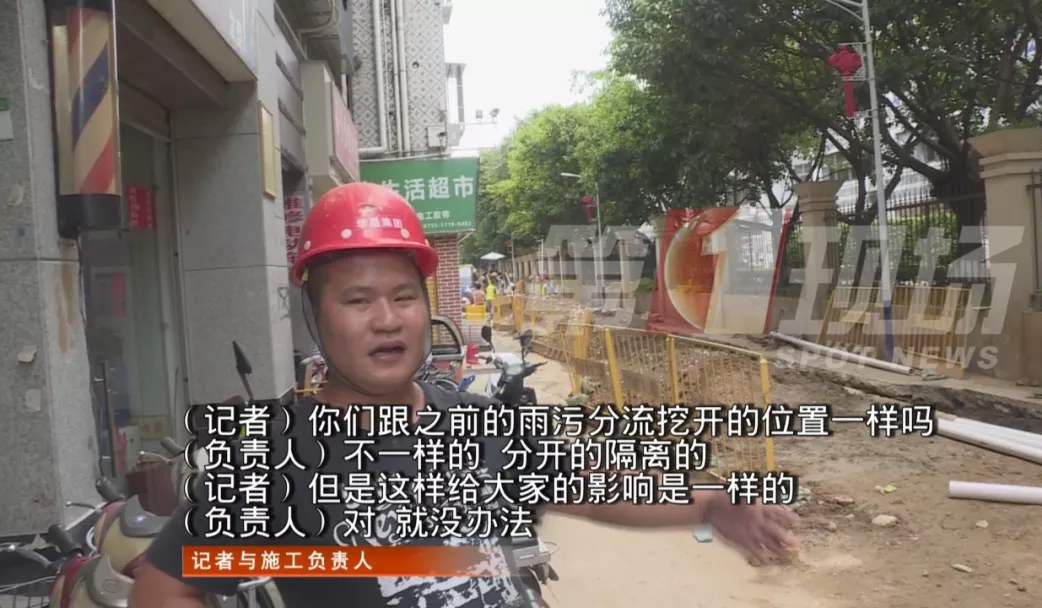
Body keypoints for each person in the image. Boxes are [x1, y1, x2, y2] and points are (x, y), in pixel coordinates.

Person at [129, 182, 797, 608]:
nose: (387, 320)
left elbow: (590, 486)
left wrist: (710, 504)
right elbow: (162, 590)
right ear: (315, 316)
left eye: (403, 297)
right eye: (357, 300)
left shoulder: (475, 419)